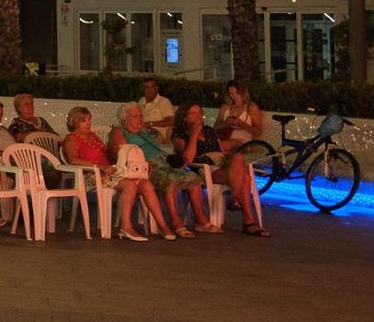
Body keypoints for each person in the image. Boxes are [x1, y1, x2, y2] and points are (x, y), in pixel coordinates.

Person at [106, 103, 176, 242]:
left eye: (141, 116)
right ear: (124, 119)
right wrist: (143, 161)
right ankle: (126, 227)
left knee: (147, 186)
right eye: (135, 116)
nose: (140, 119)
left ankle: (162, 225)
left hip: (140, 172)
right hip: (127, 171)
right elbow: (118, 153)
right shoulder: (118, 131)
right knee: (136, 185)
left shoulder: (142, 132)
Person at [213, 80, 270, 237]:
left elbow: (257, 130)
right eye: (230, 94)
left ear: (242, 93)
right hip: (226, 138)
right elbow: (215, 127)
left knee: (230, 146)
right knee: (243, 175)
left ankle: (238, 203)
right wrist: (226, 123)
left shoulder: (251, 108)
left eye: (236, 93)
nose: (233, 96)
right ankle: (238, 202)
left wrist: (240, 123)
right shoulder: (225, 108)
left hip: (243, 140)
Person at [171, 103, 224, 234]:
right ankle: (240, 208)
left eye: (200, 113)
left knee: (241, 166)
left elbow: (222, 151)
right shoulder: (179, 134)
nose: (198, 116)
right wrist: (194, 134)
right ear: (184, 117)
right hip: (199, 168)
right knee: (242, 176)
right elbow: (187, 159)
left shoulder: (209, 130)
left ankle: (248, 218)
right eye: (193, 113)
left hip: (218, 164)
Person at [137, 77, 176, 141]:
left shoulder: (164, 101)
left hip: (156, 133)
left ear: (157, 88)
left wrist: (150, 124)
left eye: (152, 87)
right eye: (147, 87)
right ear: (143, 89)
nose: (150, 90)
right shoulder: (141, 101)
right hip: (141, 130)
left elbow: (170, 121)